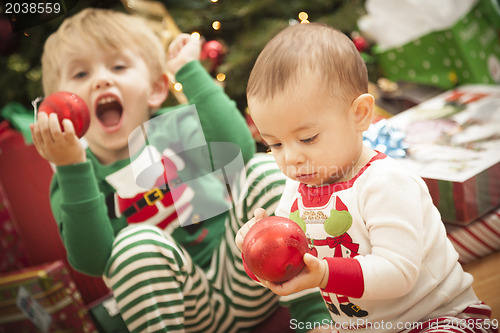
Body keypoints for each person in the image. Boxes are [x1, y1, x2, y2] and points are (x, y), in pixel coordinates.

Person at [30, 8, 332, 333]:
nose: (102, 79)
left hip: (247, 274)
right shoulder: (75, 172)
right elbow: (92, 259)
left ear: (157, 89)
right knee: (135, 241)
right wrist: (72, 168)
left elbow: (240, 152)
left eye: (118, 67)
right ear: (55, 108)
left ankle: (313, 315)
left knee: (261, 170)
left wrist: (189, 71)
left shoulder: (172, 131)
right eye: (80, 75)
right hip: (184, 311)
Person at [236, 22, 498, 333]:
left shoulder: (385, 182)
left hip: (438, 318)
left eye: (307, 138)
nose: (290, 157)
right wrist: (257, 252)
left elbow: (399, 273)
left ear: (360, 114)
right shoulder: (297, 189)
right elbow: (292, 265)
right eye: (275, 144)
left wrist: (324, 274)